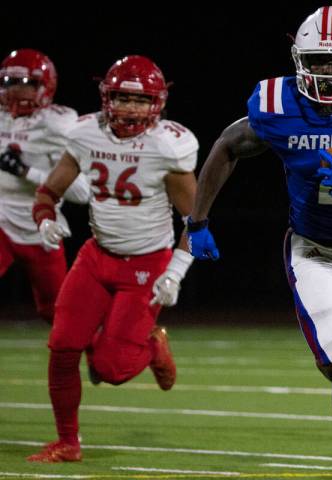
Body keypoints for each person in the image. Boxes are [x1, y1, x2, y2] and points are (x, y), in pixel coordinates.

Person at [185, 6, 332, 479]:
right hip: (315, 250)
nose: (329, 71)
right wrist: (197, 221)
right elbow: (228, 145)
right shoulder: (278, 104)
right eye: (318, 59)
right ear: (298, 58)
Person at [26, 55, 198, 463]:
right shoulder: (86, 134)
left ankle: (154, 345)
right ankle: (68, 442)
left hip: (146, 264)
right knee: (63, 346)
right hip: (96, 257)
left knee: (111, 369)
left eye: (140, 101)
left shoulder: (167, 146)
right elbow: (47, 193)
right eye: (122, 98)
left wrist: (176, 271)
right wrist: (45, 218)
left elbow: (199, 221)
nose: (130, 109)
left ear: (157, 104)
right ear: (106, 98)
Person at [0, 48, 90, 323]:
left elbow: (82, 192)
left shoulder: (59, 124)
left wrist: (26, 171)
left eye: (28, 83)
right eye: (10, 82)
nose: (17, 91)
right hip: (2, 221)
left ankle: (101, 360)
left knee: (57, 313)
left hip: (42, 228)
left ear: (46, 85)